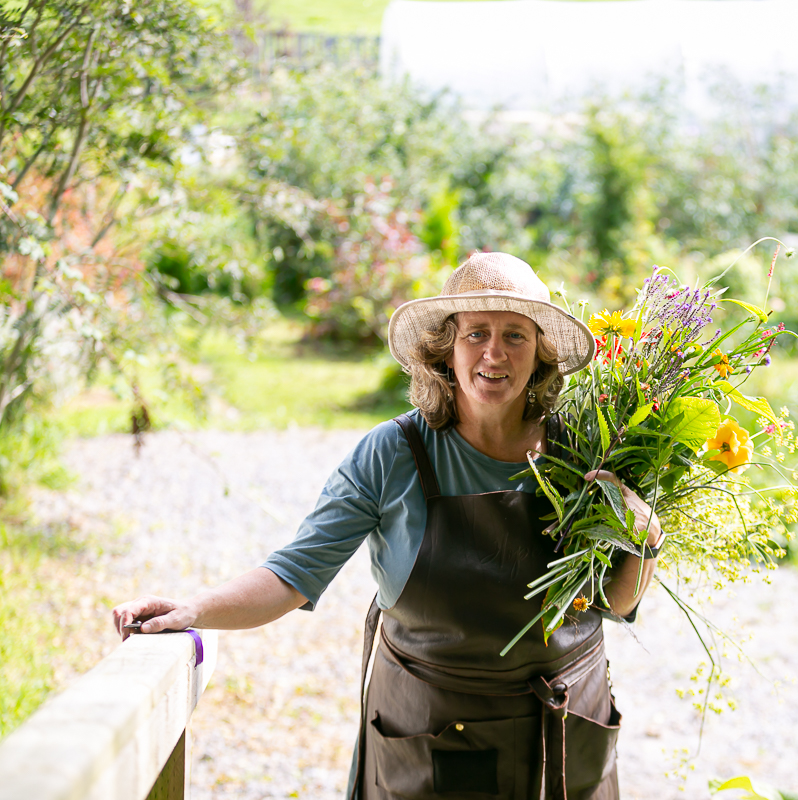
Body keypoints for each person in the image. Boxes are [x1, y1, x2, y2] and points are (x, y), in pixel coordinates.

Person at [111, 252, 664, 800]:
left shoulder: (587, 449)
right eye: (477, 334)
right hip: (436, 741)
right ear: (446, 349)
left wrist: (645, 542)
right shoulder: (393, 454)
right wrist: (194, 610)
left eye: (515, 335)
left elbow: (613, 603)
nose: (494, 353)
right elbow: (293, 574)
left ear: (540, 354)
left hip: (564, 741)